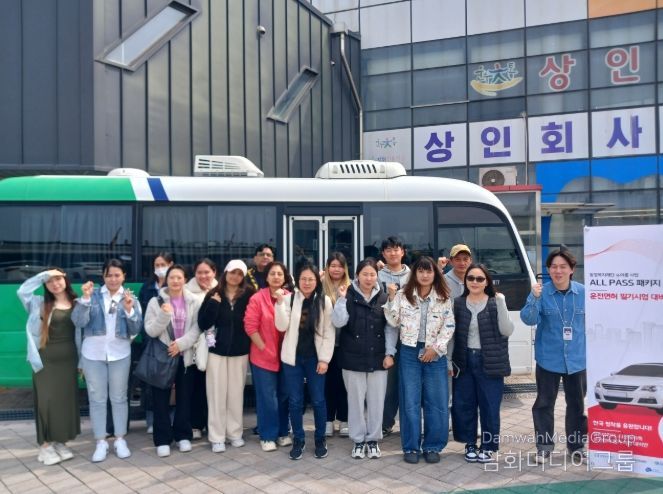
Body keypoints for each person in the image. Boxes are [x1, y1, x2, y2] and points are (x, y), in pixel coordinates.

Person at [384, 256, 455, 464]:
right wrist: (391, 298)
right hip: (409, 351)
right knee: (410, 400)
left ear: (435, 274)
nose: (425, 275)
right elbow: (393, 321)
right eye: (421, 271)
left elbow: (449, 326)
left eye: (429, 271)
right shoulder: (403, 295)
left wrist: (436, 348)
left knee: (437, 400)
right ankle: (411, 447)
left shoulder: (443, 296)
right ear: (414, 273)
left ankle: (433, 446)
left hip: (435, 352)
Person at [520, 248, 587, 464]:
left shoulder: (584, 292)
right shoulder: (541, 292)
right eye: (554, 267)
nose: (558, 271)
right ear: (548, 269)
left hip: (577, 359)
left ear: (571, 269)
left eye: (563, 267)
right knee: (544, 404)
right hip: (548, 359)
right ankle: (544, 447)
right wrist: (534, 297)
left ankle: (576, 446)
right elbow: (528, 319)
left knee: (577, 405)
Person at [72, 259, 142, 463]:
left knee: (119, 398)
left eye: (117, 275)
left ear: (124, 276)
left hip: (120, 354)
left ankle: (120, 439)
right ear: (103, 276)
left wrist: (129, 310)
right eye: (109, 275)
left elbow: (137, 329)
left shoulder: (130, 298)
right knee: (97, 399)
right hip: (92, 355)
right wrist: (85, 299)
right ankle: (100, 441)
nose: (113, 279)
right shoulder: (91, 295)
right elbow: (78, 321)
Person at [332, 258, 397, 460]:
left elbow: (391, 328)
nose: (369, 278)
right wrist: (341, 299)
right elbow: (338, 322)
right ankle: (358, 440)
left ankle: (373, 439)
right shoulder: (348, 295)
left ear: (377, 276)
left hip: (378, 358)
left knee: (377, 401)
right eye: (365, 274)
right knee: (355, 402)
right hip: (352, 359)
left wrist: (389, 353)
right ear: (357, 276)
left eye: (372, 274)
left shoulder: (384, 297)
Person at [451, 264, 514, 464]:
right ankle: (470, 444)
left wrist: (501, 302)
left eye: (480, 279)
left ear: (487, 282)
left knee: (490, 406)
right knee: (464, 405)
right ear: (465, 281)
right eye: (471, 278)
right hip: (464, 361)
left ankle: (488, 446)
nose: (475, 282)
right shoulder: (458, 303)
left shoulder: (496, 302)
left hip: (490, 362)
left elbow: (507, 330)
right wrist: (449, 361)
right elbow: (451, 335)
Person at [18, 269, 81, 466]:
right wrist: (43, 275)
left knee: (63, 403)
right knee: (45, 402)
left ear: (65, 280)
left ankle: (60, 442)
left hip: (69, 361)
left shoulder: (77, 303)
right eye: (50, 281)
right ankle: (45, 446)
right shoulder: (38, 303)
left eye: (58, 279)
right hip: (45, 361)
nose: (55, 283)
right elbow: (22, 291)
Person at [275, 264, 335, 460]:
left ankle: (320, 439)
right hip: (293, 359)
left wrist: (324, 359)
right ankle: (298, 439)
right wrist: (279, 304)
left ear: (317, 281)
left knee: (318, 400)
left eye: (311, 279)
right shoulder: (288, 299)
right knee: (295, 401)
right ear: (297, 281)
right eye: (303, 279)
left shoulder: (324, 301)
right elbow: (281, 326)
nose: (307, 283)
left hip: (315, 358)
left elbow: (329, 332)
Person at [144, 264, 202, 457]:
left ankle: (183, 435)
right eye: (172, 277)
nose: (175, 281)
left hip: (185, 356)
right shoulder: (155, 302)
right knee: (160, 399)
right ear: (166, 280)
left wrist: (181, 344)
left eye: (179, 277)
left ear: (185, 279)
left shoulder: (193, 301)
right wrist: (164, 315)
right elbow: (150, 330)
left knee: (185, 398)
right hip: (163, 357)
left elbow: (197, 328)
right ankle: (162, 439)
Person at [197, 260, 254, 453]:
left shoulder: (249, 294)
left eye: (239, 273)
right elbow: (203, 323)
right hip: (216, 352)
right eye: (232, 272)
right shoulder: (214, 294)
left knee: (236, 395)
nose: (235, 276)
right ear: (226, 272)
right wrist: (214, 304)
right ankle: (217, 437)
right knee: (216, 395)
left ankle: (235, 433)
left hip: (240, 351)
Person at [244, 261, 294, 452]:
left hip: (286, 356)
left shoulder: (290, 297)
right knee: (267, 398)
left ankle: (282, 433)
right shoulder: (257, 298)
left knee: (284, 395)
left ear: (285, 277)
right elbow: (250, 326)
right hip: (263, 357)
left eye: (279, 274)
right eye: (272, 273)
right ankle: (267, 435)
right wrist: (263, 347)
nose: (276, 277)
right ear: (266, 277)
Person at [137, 251, 175, 434]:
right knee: (152, 384)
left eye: (163, 265)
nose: (160, 268)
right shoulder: (147, 288)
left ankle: (172, 420)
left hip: (172, 343)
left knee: (172, 384)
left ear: (171, 265)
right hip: (152, 342)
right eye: (157, 265)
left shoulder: (175, 286)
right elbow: (143, 318)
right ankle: (152, 421)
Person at [377, 237, 411, 437]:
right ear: (383, 254)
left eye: (396, 249)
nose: (392, 253)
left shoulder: (413, 275)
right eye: (388, 250)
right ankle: (386, 422)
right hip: (384, 335)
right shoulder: (377, 276)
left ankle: (409, 424)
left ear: (402, 252)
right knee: (388, 385)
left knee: (409, 383)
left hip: (409, 335)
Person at [186, 258, 219, 440]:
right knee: (197, 387)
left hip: (215, 346)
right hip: (193, 346)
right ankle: (196, 424)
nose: (204, 276)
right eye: (200, 272)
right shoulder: (187, 291)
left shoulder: (220, 290)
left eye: (207, 272)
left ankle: (212, 424)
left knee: (213, 388)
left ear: (214, 272)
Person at [321, 252, 351, 438]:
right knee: (327, 384)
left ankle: (345, 419)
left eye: (340, 266)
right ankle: (327, 420)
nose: (336, 269)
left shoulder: (351, 286)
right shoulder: (320, 286)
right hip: (325, 344)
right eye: (333, 265)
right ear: (327, 268)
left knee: (344, 384)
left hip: (346, 344)